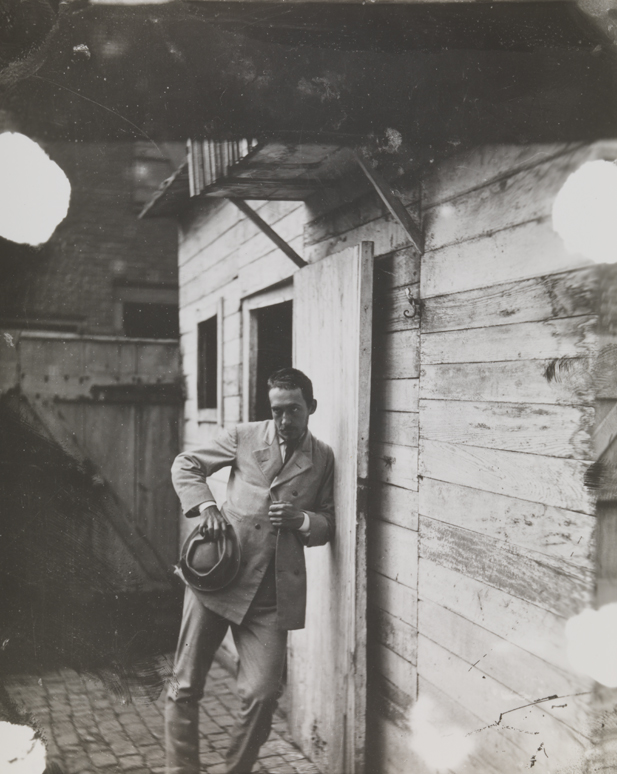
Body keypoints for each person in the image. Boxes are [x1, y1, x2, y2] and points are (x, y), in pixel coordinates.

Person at [166, 367, 335, 774]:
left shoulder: (323, 457)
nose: (284, 420)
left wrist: (301, 521)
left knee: (263, 694)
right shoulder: (244, 436)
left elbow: (328, 522)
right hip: (218, 579)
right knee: (185, 685)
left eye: (294, 409)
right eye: (277, 410)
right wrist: (206, 507)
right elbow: (186, 464)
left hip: (271, 596)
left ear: (310, 407)